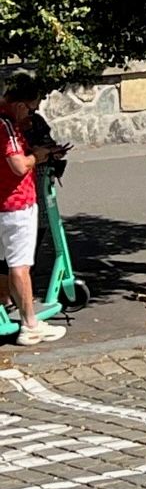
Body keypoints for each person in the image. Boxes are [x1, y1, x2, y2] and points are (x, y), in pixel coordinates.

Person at [2, 76, 66, 345]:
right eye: (31, 108)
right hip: (16, 205)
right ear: (18, 105)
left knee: (4, 264)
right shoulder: (5, 126)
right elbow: (17, 165)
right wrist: (37, 156)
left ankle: (6, 307)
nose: (33, 113)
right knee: (20, 266)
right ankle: (30, 325)